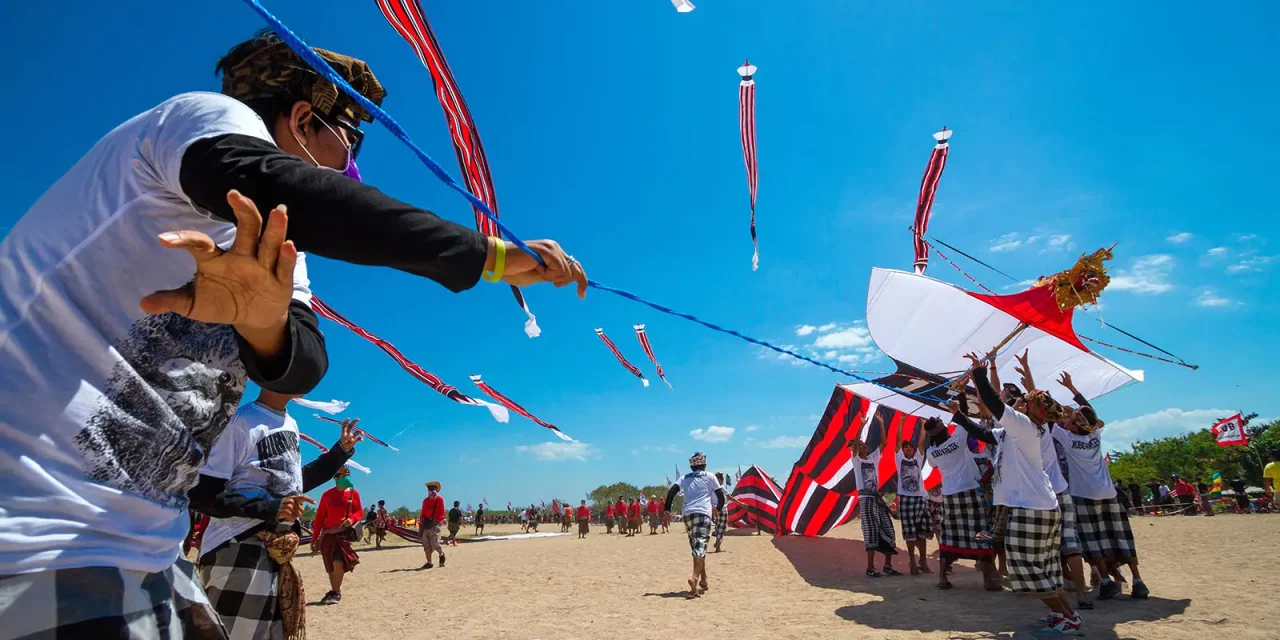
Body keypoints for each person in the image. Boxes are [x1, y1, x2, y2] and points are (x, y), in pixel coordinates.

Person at [190, 394, 358, 638]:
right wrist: (269, 509)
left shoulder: (290, 423)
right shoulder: (239, 421)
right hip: (239, 546)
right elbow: (202, 494)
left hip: (276, 550)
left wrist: (339, 453)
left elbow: (295, 483)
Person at [966, 352, 1082, 635]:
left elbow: (994, 404)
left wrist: (980, 373)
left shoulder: (1022, 425)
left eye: (1023, 401)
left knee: (1026, 569)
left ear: (1029, 408)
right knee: (1041, 568)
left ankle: (1066, 617)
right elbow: (988, 421)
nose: (1018, 401)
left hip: (1033, 508)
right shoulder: (1030, 427)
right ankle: (1067, 614)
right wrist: (976, 383)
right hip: (1039, 505)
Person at [1053, 372, 1148, 601]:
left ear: (1075, 424)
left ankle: (1105, 581)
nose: (1068, 418)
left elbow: (1047, 417)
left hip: (1083, 495)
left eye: (1072, 417)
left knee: (1092, 538)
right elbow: (1089, 412)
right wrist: (1073, 389)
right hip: (1108, 492)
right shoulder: (1095, 435)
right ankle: (1138, 580)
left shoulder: (1066, 438)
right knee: (1120, 536)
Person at [924, 411, 997, 591]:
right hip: (969, 492)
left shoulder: (931, 451)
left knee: (949, 535)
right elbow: (962, 417)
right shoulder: (957, 439)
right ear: (943, 429)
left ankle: (942, 578)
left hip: (949, 495)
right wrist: (962, 395)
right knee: (981, 533)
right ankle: (988, 580)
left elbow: (933, 465)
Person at [665, 453, 726, 598]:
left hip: (688, 515)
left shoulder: (684, 478)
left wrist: (667, 509)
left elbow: (672, 491)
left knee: (696, 546)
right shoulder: (710, 476)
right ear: (704, 465)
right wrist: (718, 508)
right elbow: (720, 495)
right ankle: (694, 578)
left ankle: (704, 580)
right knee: (701, 546)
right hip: (703, 513)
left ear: (692, 466)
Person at [850, 415, 898, 578]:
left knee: (888, 529)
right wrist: (861, 426)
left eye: (864, 445)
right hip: (865, 498)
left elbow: (884, 444)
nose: (864, 446)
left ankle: (887, 565)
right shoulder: (857, 461)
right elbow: (855, 444)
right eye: (861, 445)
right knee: (870, 531)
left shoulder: (873, 459)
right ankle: (870, 567)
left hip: (876, 497)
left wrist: (882, 423)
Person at [312, 466, 363, 605]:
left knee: (338, 562)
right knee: (330, 566)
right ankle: (335, 590)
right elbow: (320, 517)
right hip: (328, 535)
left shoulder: (354, 494)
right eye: (343, 475)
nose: (347, 477)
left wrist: (351, 519)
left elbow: (359, 511)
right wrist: (314, 537)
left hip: (343, 535)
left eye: (348, 474)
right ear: (336, 478)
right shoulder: (327, 495)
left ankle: (336, 592)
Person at [895, 423, 932, 576]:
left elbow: (921, 441)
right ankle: (912, 561)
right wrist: (902, 421)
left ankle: (923, 560)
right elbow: (897, 441)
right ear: (903, 450)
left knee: (921, 532)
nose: (908, 449)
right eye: (906, 447)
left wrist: (923, 425)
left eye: (910, 447)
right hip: (906, 498)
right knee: (909, 532)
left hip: (920, 498)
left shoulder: (918, 457)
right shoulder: (899, 459)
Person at [419, 482, 447, 568]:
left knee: (435, 543)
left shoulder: (439, 499)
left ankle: (441, 554)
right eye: (429, 489)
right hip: (426, 523)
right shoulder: (425, 501)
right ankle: (429, 562)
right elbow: (423, 513)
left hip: (435, 524)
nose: (430, 491)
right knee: (426, 543)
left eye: (432, 489)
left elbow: (441, 512)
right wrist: (421, 524)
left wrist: (438, 521)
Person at [712, 473, 729, 553]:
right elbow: (729, 497)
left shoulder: (712, 489)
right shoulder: (721, 488)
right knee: (722, 528)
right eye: (721, 479)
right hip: (723, 510)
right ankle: (718, 546)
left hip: (715, 510)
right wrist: (740, 503)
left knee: (718, 527)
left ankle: (717, 542)